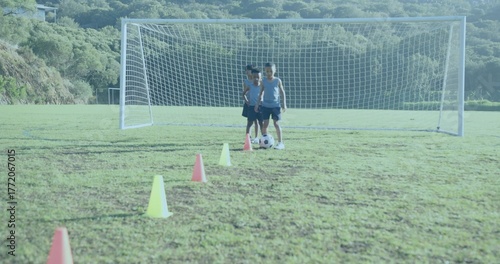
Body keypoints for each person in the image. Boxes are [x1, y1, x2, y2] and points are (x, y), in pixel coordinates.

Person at [255, 62, 287, 150]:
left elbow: (282, 92)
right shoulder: (263, 81)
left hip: (275, 106)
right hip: (265, 106)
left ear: (275, 71)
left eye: (271, 71)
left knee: (276, 123)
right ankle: (264, 142)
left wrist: (284, 103)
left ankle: (280, 143)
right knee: (265, 124)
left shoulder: (277, 80)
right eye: (267, 71)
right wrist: (257, 104)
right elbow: (260, 93)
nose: (269, 73)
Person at [243, 68, 264, 143]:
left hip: (260, 107)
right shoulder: (250, 86)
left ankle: (263, 138)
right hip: (251, 107)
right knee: (250, 123)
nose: (256, 79)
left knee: (262, 123)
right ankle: (247, 138)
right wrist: (247, 101)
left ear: (261, 78)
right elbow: (243, 94)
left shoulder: (262, 86)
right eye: (254, 77)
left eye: (258, 77)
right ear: (252, 77)